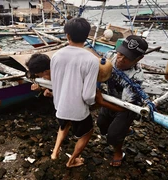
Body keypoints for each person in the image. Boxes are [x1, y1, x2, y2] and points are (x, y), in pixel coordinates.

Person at [26, 17, 99, 168]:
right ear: (87, 36)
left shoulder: (56, 56)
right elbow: (88, 96)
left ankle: (55, 152)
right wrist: (94, 103)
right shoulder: (92, 60)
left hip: (59, 107)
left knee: (63, 126)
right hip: (79, 111)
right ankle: (72, 161)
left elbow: (57, 83)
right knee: (87, 133)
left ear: (67, 36)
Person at [96, 35, 149, 167]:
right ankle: (124, 129)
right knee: (101, 125)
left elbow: (125, 107)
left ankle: (118, 152)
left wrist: (101, 102)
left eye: (128, 57)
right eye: (121, 53)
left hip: (127, 106)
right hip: (110, 98)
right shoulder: (110, 55)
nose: (121, 59)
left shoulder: (136, 77)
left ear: (139, 59)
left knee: (113, 136)